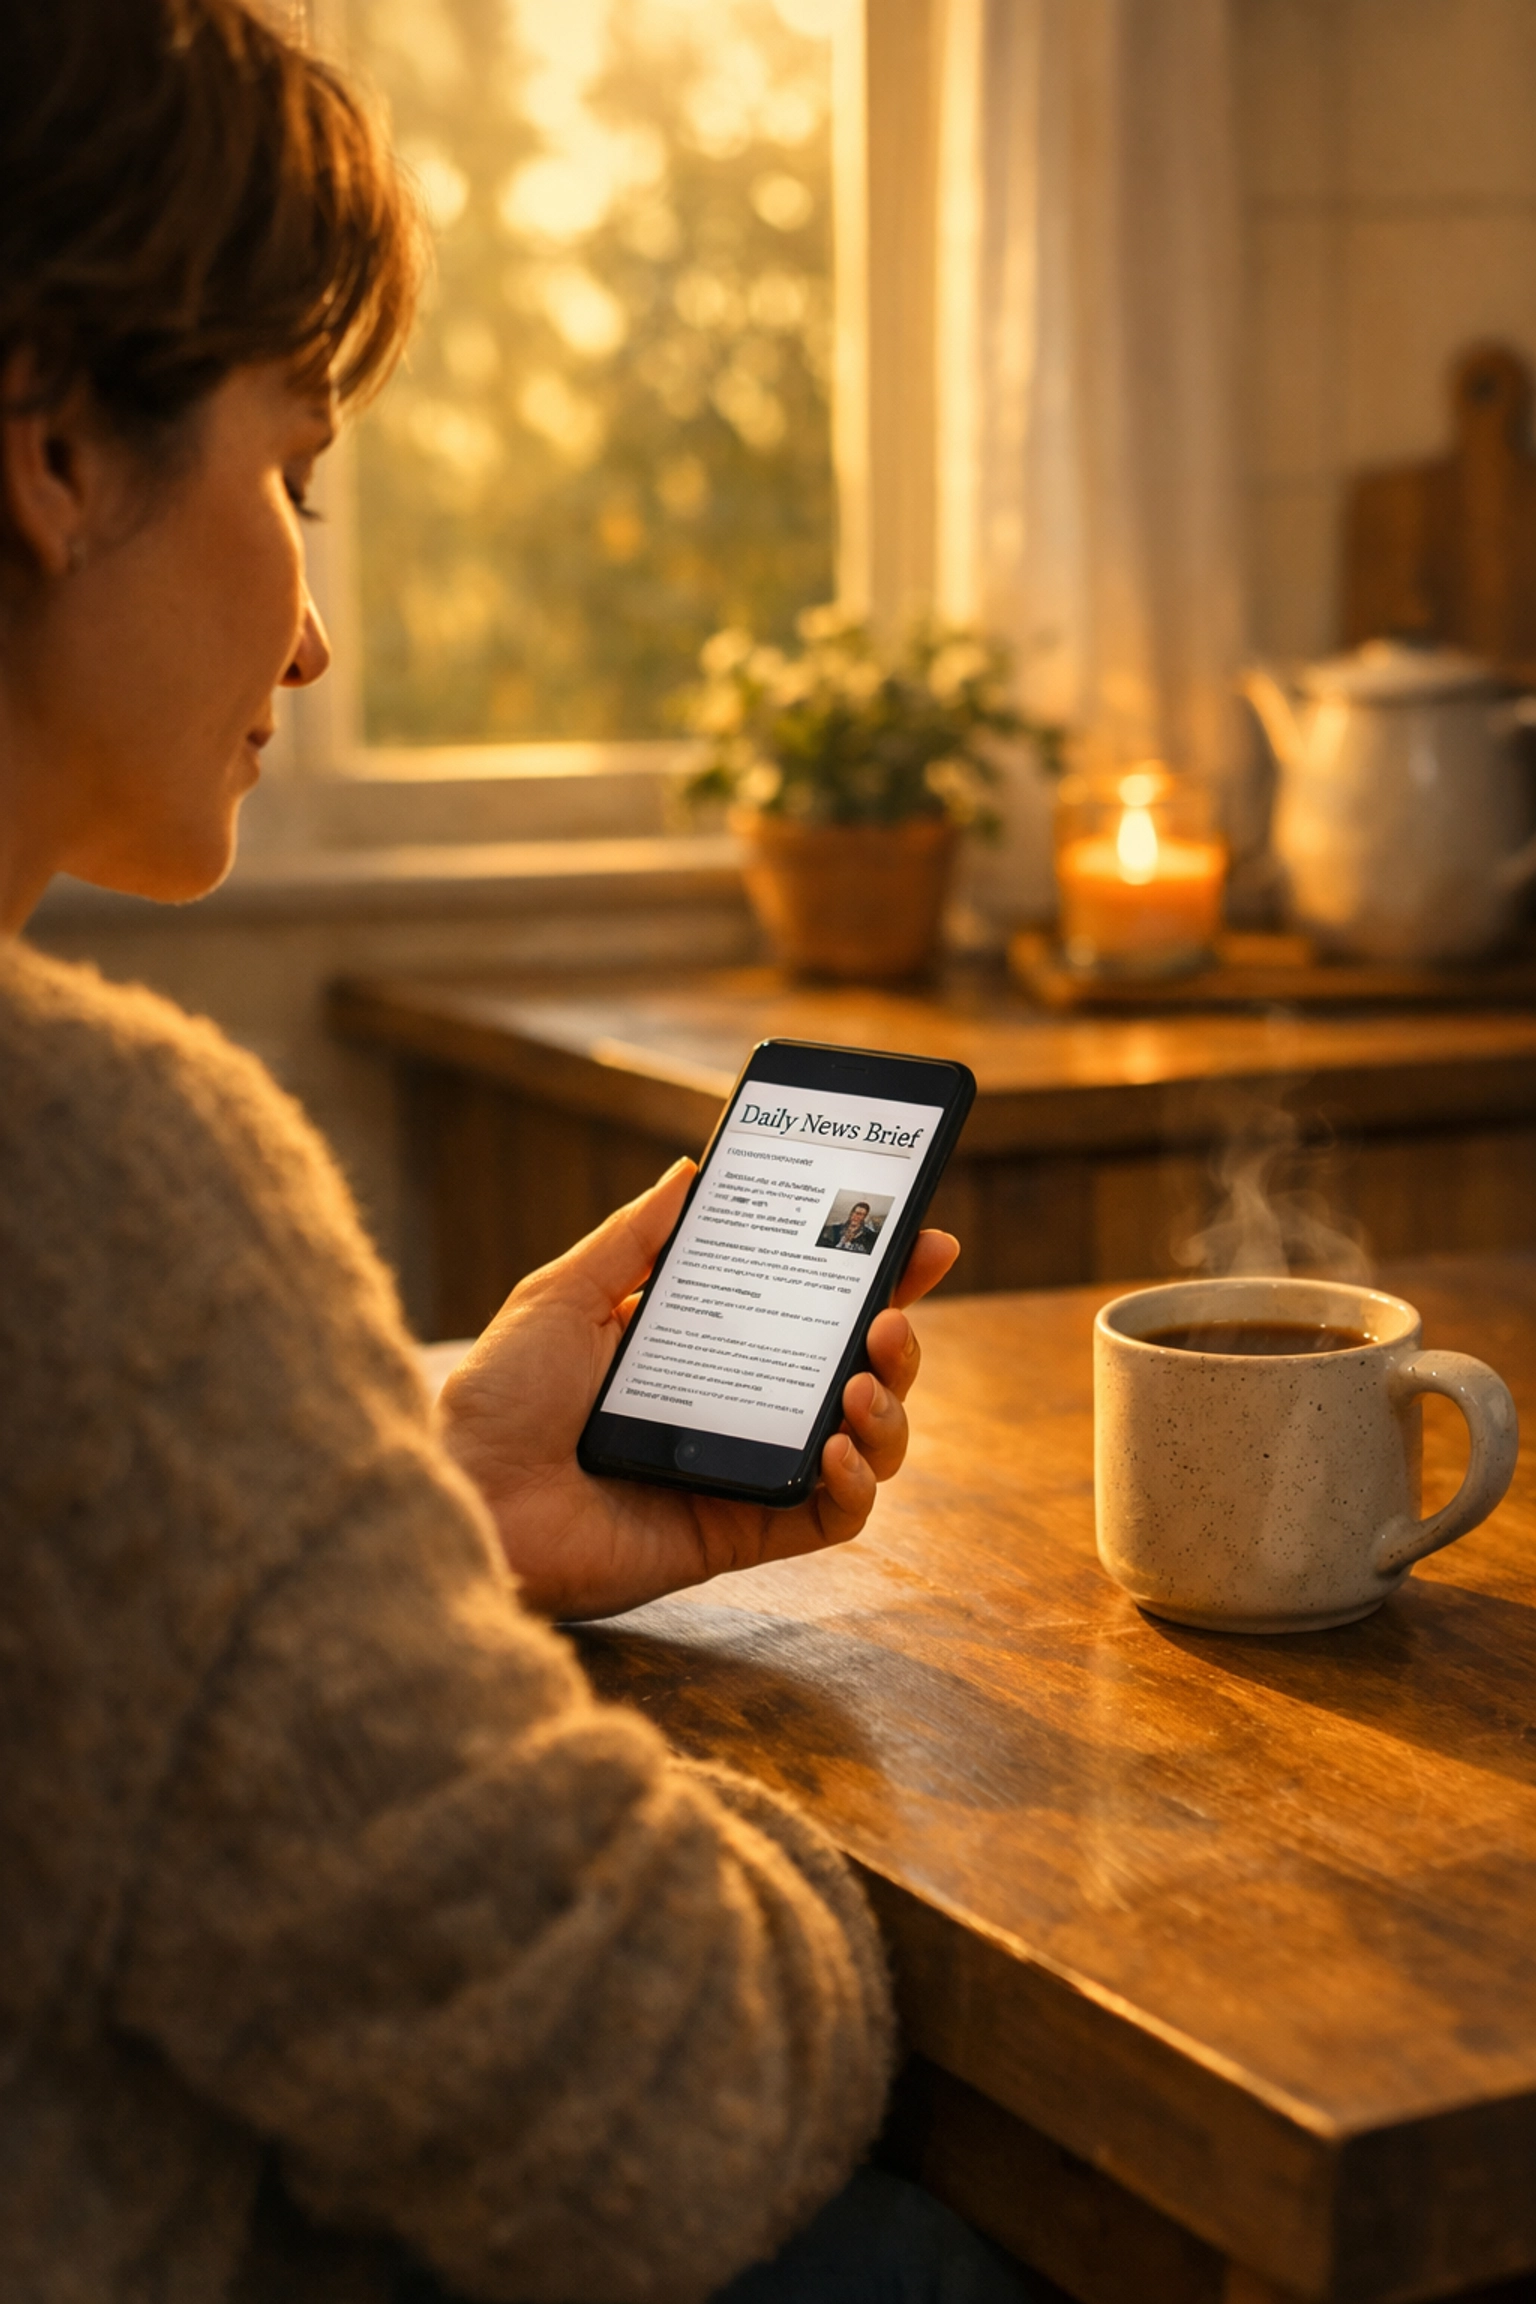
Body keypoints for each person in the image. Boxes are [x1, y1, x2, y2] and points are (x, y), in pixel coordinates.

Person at [0, 5, 1043, 2301]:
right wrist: (782, 1849)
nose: (311, 620)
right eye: (295, 471)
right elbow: (662, 2103)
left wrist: (421, 1485)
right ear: (57, 443)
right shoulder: (82, 1166)